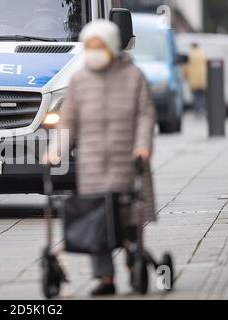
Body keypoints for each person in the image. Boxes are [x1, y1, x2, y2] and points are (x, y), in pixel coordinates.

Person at [46, 20, 157, 296]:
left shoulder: (133, 76)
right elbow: (67, 121)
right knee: (98, 222)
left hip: (126, 161)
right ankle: (105, 278)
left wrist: (143, 146)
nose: (93, 51)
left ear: (110, 46)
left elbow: (145, 115)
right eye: (90, 47)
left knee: (126, 217)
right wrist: (56, 148)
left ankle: (134, 261)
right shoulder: (79, 80)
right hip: (92, 163)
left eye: (99, 46)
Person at [184, 43, 208, 115]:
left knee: (195, 95)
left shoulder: (190, 55)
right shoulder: (203, 54)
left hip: (194, 78)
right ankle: (202, 108)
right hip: (203, 78)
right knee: (202, 95)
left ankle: (197, 110)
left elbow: (186, 68)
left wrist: (185, 76)